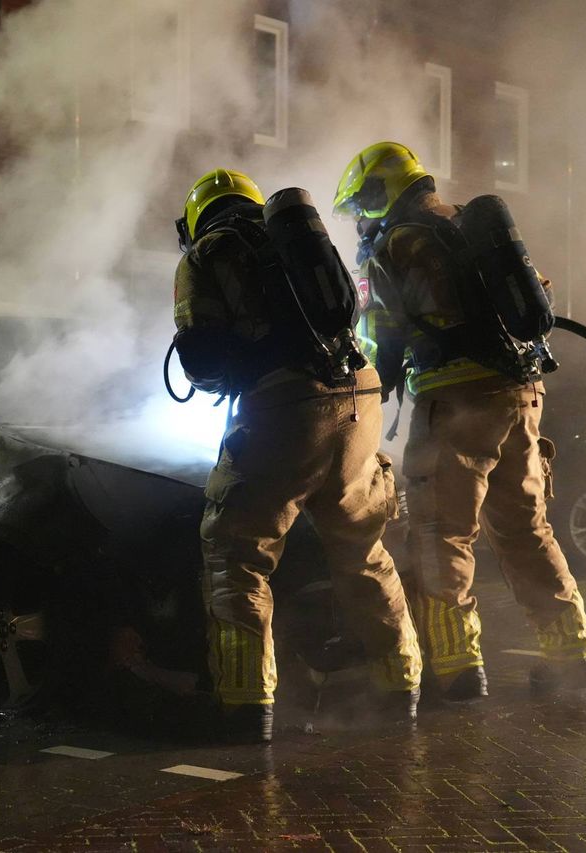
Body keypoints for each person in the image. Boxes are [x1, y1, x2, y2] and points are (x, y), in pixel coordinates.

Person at [332, 141, 586, 702]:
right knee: (527, 529)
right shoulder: (473, 227)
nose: (360, 220)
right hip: (523, 394)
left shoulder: (396, 245)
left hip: (454, 403)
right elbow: (537, 297)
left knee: (441, 533)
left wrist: (364, 399)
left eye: (361, 205)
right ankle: (572, 655)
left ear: (381, 192)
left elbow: (380, 338)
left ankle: (456, 668)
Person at [172, 168, 422, 743]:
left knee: (236, 554)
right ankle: (402, 682)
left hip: (286, 406)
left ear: (196, 218)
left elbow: (201, 357)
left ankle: (244, 705)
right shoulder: (294, 244)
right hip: (358, 396)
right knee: (363, 549)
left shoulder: (205, 254)